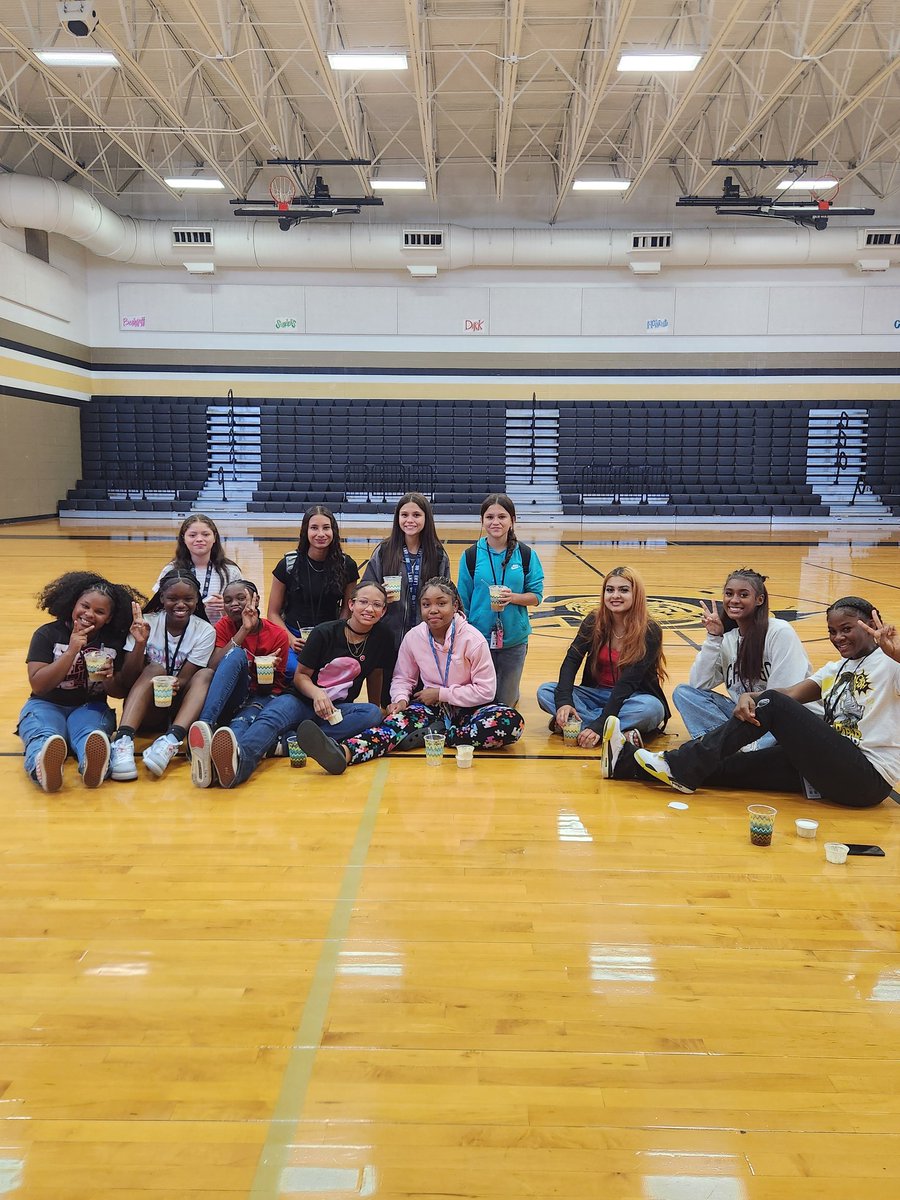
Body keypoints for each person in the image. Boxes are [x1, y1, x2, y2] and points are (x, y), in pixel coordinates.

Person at [604, 596, 900, 809]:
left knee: (769, 703)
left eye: (846, 629)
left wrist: (897, 654)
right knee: (729, 766)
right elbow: (789, 695)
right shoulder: (837, 668)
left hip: (865, 779)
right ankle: (625, 764)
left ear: (873, 623)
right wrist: (751, 697)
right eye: (833, 631)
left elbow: (778, 702)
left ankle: (677, 764)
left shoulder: (890, 664)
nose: (838, 637)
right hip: (826, 770)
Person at [295, 578, 524, 774]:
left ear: (455, 606)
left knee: (510, 722)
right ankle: (344, 753)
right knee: (392, 724)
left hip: (470, 708)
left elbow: (486, 690)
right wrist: (401, 699)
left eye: (441, 603)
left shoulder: (473, 640)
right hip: (430, 707)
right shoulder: (414, 637)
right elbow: (403, 678)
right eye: (426, 605)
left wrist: (442, 693)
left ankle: (441, 734)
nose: (433, 610)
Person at [206, 581, 391, 788]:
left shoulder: (383, 636)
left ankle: (284, 743)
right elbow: (300, 676)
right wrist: (317, 694)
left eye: (376, 605)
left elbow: (376, 674)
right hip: (300, 699)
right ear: (350, 604)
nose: (369, 609)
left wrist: (377, 707)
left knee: (371, 714)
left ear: (383, 611)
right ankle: (238, 765)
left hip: (335, 710)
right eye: (363, 602)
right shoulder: (324, 632)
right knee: (269, 719)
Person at [17, 571, 149, 792]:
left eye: (99, 611)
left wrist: (109, 677)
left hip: (90, 705)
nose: (89, 614)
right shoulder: (48, 634)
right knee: (45, 734)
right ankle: (43, 765)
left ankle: (93, 764)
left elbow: (118, 692)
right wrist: (71, 652)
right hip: (46, 703)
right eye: (85, 606)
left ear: (109, 618)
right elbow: (39, 685)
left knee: (91, 735)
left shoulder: (112, 641)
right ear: (73, 604)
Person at [673, 567, 812, 749]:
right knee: (683, 693)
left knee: (777, 733)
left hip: (786, 719)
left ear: (759, 600)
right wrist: (713, 638)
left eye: (743, 595)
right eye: (729, 594)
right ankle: (736, 750)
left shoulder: (779, 632)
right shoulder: (728, 640)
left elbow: (782, 700)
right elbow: (698, 684)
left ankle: (723, 749)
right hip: (749, 718)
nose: (734, 600)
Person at [537, 565, 669, 756]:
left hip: (632, 698)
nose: (615, 595)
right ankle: (619, 732)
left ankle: (577, 726)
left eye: (623, 590)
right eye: (610, 590)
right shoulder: (594, 620)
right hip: (595, 694)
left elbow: (628, 683)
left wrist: (599, 725)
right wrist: (564, 702)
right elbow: (572, 660)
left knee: (652, 709)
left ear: (636, 594)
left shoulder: (649, 630)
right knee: (546, 691)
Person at [108, 570, 215, 780]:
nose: (181, 604)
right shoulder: (146, 623)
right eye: (173, 598)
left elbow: (186, 677)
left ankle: (170, 741)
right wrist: (140, 643)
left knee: (206, 674)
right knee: (155, 669)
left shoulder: (205, 631)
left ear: (197, 600)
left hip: (178, 708)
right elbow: (128, 679)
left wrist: (177, 683)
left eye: (188, 599)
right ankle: (122, 742)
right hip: (147, 708)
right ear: (162, 598)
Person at [186, 579, 291, 788]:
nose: (234, 603)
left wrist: (267, 672)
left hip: (262, 695)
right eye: (228, 600)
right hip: (232, 693)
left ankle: (217, 763)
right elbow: (214, 666)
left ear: (256, 599)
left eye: (241, 598)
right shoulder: (223, 626)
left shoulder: (277, 634)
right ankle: (206, 725)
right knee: (234, 655)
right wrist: (244, 629)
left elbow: (269, 690)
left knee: (238, 726)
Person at [361, 491, 450, 703]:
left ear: (426, 518)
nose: (410, 520)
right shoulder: (384, 550)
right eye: (404, 515)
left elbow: (446, 593)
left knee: (420, 699)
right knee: (390, 699)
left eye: (416, 515)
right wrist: (380, 594)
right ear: (397, 518)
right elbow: (366, 587)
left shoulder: (437, 554)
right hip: (389, 636)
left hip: (426, 636)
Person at [457, 493, 544, 707]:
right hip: (478, 640)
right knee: (480, 701)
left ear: (512, 520)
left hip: (514, 639)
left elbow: (536, 596)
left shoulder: (525, 555)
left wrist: (513, 597)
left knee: (504, 704)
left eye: (502, 517)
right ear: (482, 520)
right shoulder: (470, 556)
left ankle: (511, 694)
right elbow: (462, 601)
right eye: (489, 517)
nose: (495, 522)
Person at [267, 504, 360, 676]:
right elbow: (272, 613)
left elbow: (349, 607)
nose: (321, 534)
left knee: (335, 672)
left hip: (329, 637)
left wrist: (337, 635)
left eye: (326, 528)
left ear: (334, 531)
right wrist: (290, 640)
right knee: (296, 671)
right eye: (314, 528)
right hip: (295, 638)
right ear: (305, 531)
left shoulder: (347, 565)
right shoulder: (288, 564)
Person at [152, 512, 242, 623]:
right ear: (183, 538)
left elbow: (243, 608)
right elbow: (159, 608)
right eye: (192, 535)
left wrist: (227, 606)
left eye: (205, 534)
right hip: (183, 634)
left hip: (221, 635)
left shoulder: (231, 571)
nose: (199, 539)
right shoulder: (171, 570)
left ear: (214, 537)